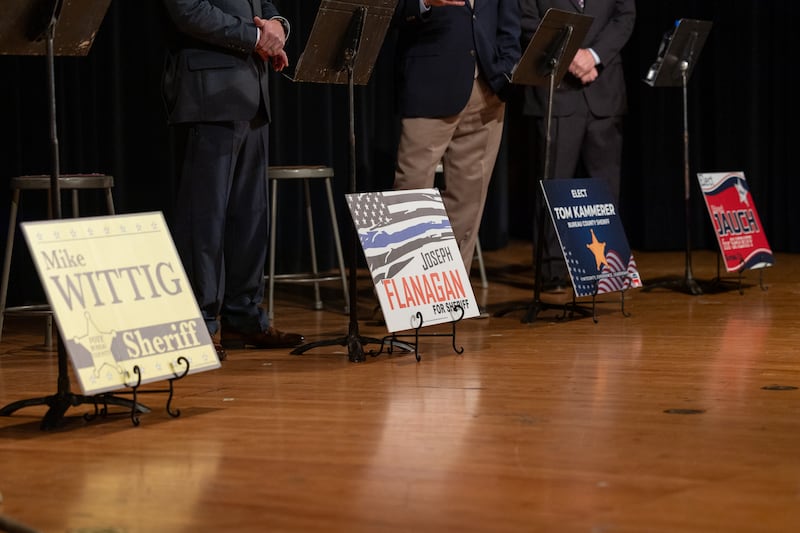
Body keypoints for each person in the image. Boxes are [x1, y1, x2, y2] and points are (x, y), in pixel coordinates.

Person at [161, 0, 303, 359]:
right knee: (204, 221)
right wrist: (254, 36)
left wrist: (276, 24)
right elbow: (187, 10)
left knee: (250, 218)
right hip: (209, 92)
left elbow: (263, 4)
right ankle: (200, 323)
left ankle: (244, 317)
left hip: (252, 94)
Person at [392, 0, 521, 270]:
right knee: (412, 193)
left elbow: (509, 21)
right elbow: (390, 11)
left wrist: (507, 68)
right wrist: (424, 2)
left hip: (488, 88)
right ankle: (406, 297)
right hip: (430, 82)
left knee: (469, 199)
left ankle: (451, 290)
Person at [519, 0, 635, 293]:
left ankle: (605, 268)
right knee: (553, 186)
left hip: (604, 87)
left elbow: (624, 16)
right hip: (555, 90)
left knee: (607, 185)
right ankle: (552, 270)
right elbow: (527, 20)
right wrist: (572, 57)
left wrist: (594, 56)